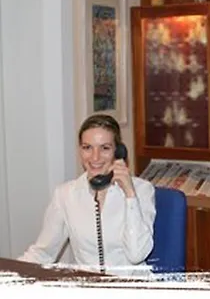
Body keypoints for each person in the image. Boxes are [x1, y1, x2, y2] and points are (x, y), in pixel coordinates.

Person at [18, 114, 156, 276]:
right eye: (87, 147)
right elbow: (43, 253)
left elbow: (136, 254)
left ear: (118, 152)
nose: (95, 157)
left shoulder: (142, 190)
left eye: (105, 148)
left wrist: (129, 194)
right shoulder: (65, 195)